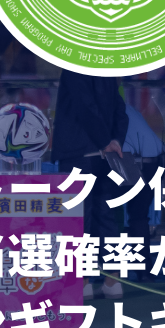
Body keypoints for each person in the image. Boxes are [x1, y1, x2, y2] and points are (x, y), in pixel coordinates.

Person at [53, 70, 129, 300]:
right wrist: (114, 141)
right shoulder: (106, 70)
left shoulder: (75, 68)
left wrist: (105, 142)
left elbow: (85, 106)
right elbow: (120, 110)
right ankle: (112, 280)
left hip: (79, 152)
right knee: (105, 215)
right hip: (105, 155)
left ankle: (83, 282)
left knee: (79, 218)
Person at [122, 93, 165, 273]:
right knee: (139, 216)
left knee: (107, 210)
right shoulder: (128, 108)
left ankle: (114, 266)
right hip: (156, 161)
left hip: (138, 162)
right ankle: (144, 270)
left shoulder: (110, 111)